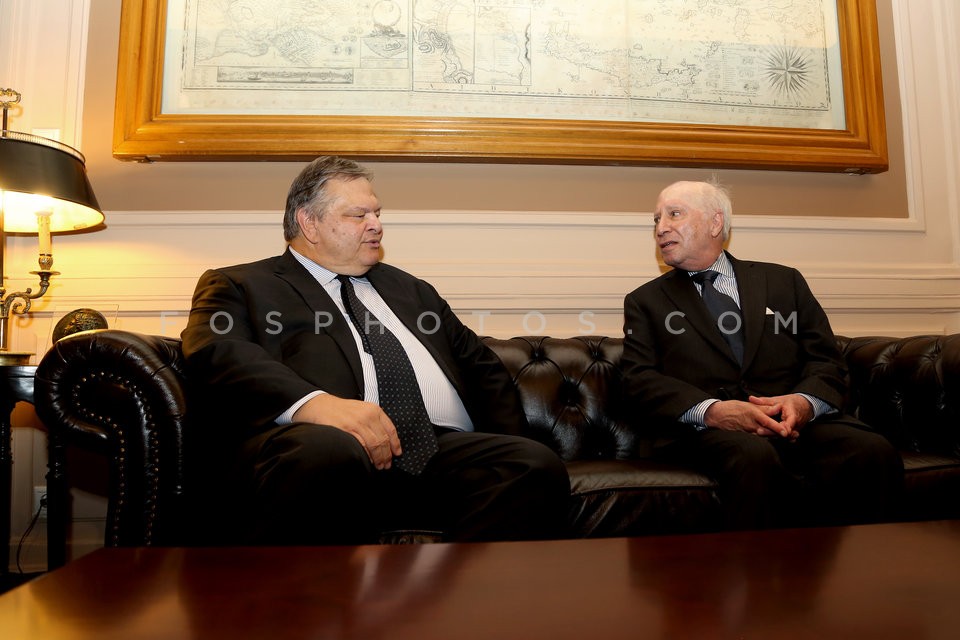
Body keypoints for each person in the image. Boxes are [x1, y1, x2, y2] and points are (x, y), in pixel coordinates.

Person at [181, 156, 570, 545]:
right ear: (309, 223)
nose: (376, 225)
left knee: (532, 464)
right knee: (326, 449)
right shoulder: (243, 284)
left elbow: (483, 369)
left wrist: (511, 441)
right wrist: (314, 404)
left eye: (377, 213)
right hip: (336, 453)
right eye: (358, 215)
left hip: (442, 454)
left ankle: (448, 584)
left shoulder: (412, 290)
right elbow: (218, 351)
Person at [620, 179, 903, 530]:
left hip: (797, 425)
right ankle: (763, 568)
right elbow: (638, 378)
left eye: (674, 214)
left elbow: (826, 359)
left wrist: (803, 403)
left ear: (715, 222)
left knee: (871, 451)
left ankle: (870, 563)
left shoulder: (784, 282)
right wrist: (713, 411)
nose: (661, 228)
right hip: (706, 433)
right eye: (656, 220)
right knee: (753, 456)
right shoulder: (646, 301)